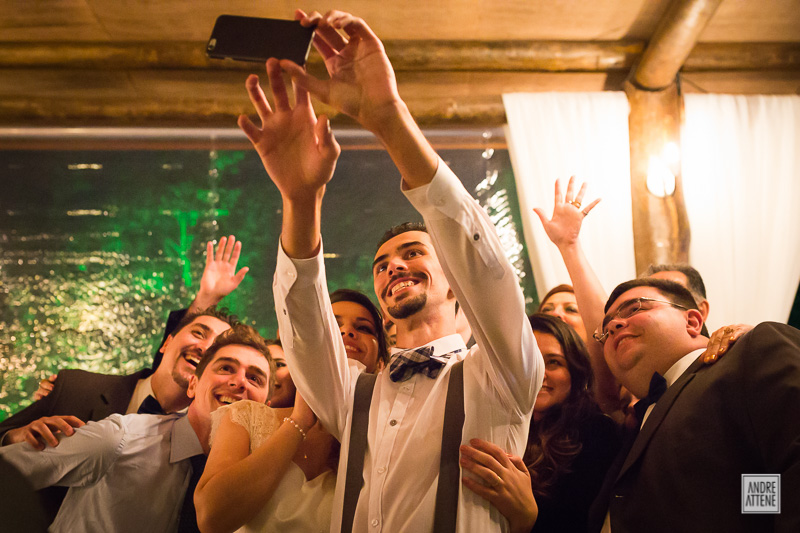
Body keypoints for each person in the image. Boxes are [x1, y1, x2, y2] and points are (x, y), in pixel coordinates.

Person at [241, 9, 542, 532]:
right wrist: (300, 198)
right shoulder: (353, 393)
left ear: (454, 282)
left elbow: (486, 269)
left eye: (414, 253)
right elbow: (305, 328)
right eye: (381, 265)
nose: (394, 266)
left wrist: (388, 118)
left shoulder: (502, 375)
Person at [0, 325, 275, 533]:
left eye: (254, 378)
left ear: (267, 404)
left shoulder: (265, 476)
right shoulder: (118, 439)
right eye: (226, 368)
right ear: (192, 385)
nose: (240, 382)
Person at [588, 278, 800, 532]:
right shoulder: (630, 425)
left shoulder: (747, 354)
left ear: (692, 321)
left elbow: (784, 464)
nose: (613, 325)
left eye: (635, 308)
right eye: (606, 329)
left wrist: (758, 514)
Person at [195, 290, 388, 533]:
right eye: (332, 323)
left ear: (381, 363)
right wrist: (298, 422)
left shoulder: (382, 440)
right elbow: (211, 518)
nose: (347, 332)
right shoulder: (245, 416)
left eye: (364, 328)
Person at [461, 314, 620, 533]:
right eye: (526, 362)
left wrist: (526, 518)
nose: (538, 374)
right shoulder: (491, 422)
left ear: (575, 371)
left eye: (553, 362)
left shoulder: (597, 433)